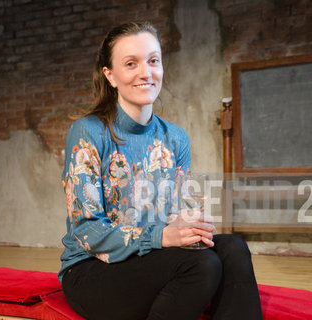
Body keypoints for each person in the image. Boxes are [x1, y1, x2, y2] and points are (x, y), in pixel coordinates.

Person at [59, 21, 262, 320]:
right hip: (92, 270)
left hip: (150, 258)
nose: (146, 72)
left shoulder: (176, 137)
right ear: (110, 75)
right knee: (203, 266)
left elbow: (181, 211)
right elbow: (88, 231)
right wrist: (163, 238)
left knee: (232, 247)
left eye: (153, 60)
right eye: (131, 63)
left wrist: (192, 224)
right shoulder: (88, 132)